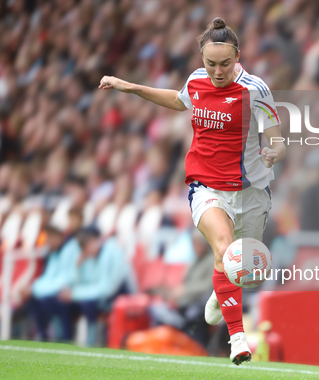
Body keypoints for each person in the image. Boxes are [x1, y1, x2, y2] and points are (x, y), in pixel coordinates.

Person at [98, 17, 285, 364]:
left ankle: (220, 293)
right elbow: (178, 100)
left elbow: (276, 139)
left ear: (238, 56)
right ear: (202, 59)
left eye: (225, 64)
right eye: (210, 63)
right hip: (206, 185)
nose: (217, 71)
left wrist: (273, 152)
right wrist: (132, 87)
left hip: (251, 190)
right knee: (223, 248)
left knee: (244, 270)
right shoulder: (197, 80)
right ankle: (238, 339)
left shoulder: (255, 90)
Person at [25, 211, 82, 341]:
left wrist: (34, 289)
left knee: (54, 301)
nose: (48, 240)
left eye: (51, 236)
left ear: (60, 236)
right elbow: (49, 277)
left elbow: (67, 280)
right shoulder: (54, 253)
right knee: (33, 300)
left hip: (75, 292)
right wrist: (33, 288)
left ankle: (66, 340)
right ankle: (44, 336)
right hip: (60, 292)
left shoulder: (72, 249)